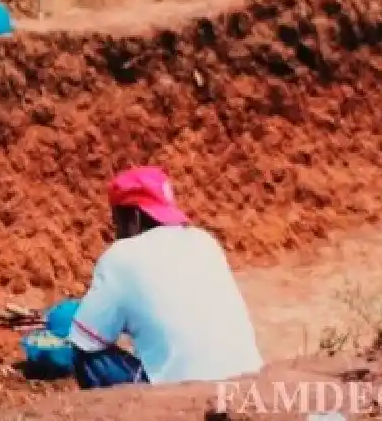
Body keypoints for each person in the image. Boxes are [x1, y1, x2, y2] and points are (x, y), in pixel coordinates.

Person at [68, 166, 263, 389]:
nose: (117, 230)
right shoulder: (205, 241)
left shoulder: (121, 256)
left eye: (118, 221)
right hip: (247, 383)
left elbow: (85, 339)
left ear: (135, 217)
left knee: (86, 356)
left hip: (184, 395)